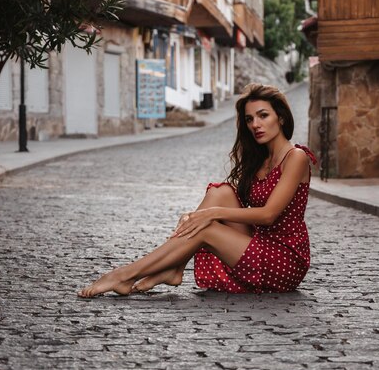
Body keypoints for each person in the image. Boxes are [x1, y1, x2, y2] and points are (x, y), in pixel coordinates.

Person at [78, 83, 317, 298]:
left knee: (208, 226)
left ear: (281, 118)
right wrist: (212, 210)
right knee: (220, 192)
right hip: (260, 244)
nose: (255, 124)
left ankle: (124, 274)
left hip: (284, 260)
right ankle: (175, 267)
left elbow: (268, 215)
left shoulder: (295, 157)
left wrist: (210, 214)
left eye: (263, 115)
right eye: (249, 119)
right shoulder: (262, 160)